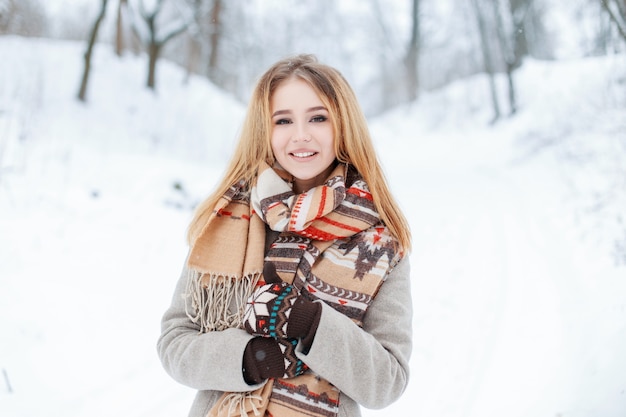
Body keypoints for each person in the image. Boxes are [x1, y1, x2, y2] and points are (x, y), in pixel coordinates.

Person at [157, 54, 413, 417]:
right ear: (266, 129)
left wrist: (314, 325)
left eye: (318, 118)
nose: (301, 134)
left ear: (342, 125)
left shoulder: (380, 244)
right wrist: (245, 359)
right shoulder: (230, 220)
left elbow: (388, 381)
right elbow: (175, 341)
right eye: (283, 120)